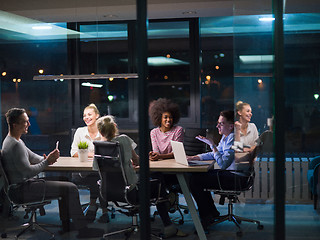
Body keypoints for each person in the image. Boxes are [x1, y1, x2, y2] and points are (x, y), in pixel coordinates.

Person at [1, 108, 103, 238]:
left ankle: (66, 226)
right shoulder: (15, 145)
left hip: (24, 186)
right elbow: (28, 172)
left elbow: (33, 158)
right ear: (15, 125)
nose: (29, 124)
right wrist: (47, 162)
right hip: (22, 190)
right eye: (25, 122)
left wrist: (48, 158)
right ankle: (83, 230)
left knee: (64, 181)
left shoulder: (16, 141)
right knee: (70, 188)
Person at [96, 115, 187, 238]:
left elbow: (100, 168)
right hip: (131, 192)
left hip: (109, 192)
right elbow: (138, 162)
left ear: (100, 131)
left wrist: (123, 166)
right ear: (115, 127)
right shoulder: (123, 139)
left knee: (150, 183)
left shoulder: (98, 146)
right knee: (159, 184)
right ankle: (168, 226)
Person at [188, 110, 251, 231]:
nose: (217, 126)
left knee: (195, 180)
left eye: (221, 124)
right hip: (233, 175)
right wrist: (195, 157)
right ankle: (211, 213)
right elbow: (216, 154)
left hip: (237, 178)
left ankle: (207, 216)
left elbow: (222, 164)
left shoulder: (233, 139)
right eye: (218, 123)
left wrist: (212, 144)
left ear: (231, 126)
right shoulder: (227, 137)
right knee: (198, 177)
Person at [70, 103, 109, 223]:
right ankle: (104, 211)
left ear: (97, 116)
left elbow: (108, 151)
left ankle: (93, 206)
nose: (86, 117)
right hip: (82, 172)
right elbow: (73, 152)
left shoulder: (103, 131)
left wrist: (89, 153)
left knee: (99, 177)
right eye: (84, 115)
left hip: (100, 169)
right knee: (99, 179)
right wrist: (92, 154)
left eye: (89, 114)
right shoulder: (80, 132)